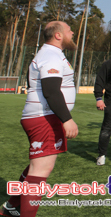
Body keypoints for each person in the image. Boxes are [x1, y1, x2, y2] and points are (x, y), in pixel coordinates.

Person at [1, 21, 78, 217]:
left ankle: (12, 206)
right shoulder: (51, 55)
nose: (73, 32)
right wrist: (67, 119)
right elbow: (51, 91)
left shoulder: (51, 54)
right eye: (69, 30)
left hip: (45, 116)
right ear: (58, 35)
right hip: (44, 117)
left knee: (36, 166)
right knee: (40, 170)